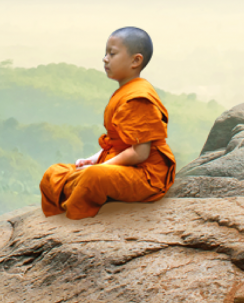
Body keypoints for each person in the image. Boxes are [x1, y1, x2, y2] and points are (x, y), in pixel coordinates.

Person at [39, 26, 176, 219]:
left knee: (92, 177)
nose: (105, 59)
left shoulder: (138, 97)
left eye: (112, 54)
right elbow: (118, 141)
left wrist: (100, 168)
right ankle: (77, 191)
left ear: (135, 61)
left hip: (146, 175)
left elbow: (140, 153)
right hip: (121, 163)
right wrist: (94, 159)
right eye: (105, 53)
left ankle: (78, 214)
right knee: (54, 172)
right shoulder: (126, 90)